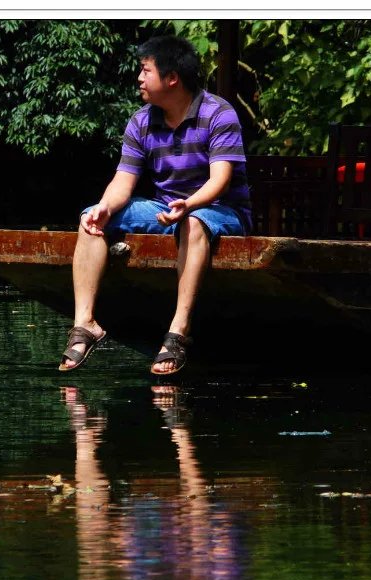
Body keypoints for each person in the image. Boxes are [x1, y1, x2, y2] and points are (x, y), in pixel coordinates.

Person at [59, 35, 251, 375]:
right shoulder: (141, 121)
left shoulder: (219, 114)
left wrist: (189, 204)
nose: (139, 78)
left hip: (220, 211)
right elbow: (124, 180)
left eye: (145, 71)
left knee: (193, 221)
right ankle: (85, 322)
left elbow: (219, 180)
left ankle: (178, 331)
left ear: (172, 77)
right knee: (91, 217)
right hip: (165, 207)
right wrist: (105, 206)